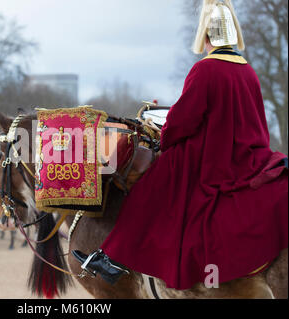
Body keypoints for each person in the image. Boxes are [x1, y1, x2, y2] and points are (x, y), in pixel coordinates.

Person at [72, 0, 288, 290]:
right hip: (251, 156)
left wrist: (167, 134)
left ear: (207, 37)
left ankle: (115, 259)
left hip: (213, 158)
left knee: (152, 183)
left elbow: (181, 123)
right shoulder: (247, 70)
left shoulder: (205, 70)